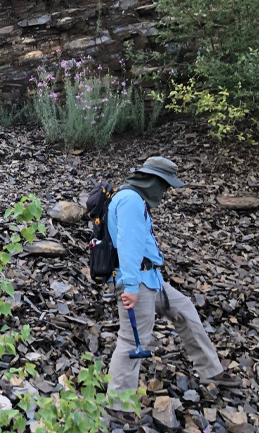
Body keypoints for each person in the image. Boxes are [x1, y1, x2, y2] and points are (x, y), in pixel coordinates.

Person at [105, 156, 239, 429]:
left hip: (151, 279)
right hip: (137, 282)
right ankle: (116, 407)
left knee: (185, 308)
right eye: (164, 186)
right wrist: (129, 288)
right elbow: (127, 245)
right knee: (132, 341)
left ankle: (211, 371)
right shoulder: (130, 200)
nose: (165, 193)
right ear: (153, 180)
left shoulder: (136, 199)